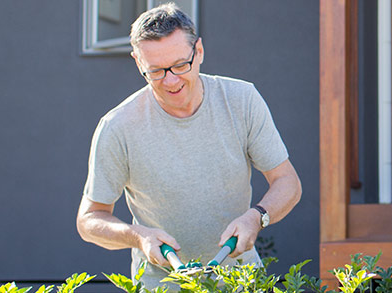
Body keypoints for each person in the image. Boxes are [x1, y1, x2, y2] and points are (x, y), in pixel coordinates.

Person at [74, 3, 301, 290]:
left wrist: (257, 217)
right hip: (161, 285)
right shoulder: (118, 126)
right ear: (137, 62)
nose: (171, 80)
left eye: (181, 65)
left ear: (200, 51)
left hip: (241, 281)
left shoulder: (242, 100)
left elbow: (287, 182)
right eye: (155, 71)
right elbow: (89, 219)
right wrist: (139, 236)